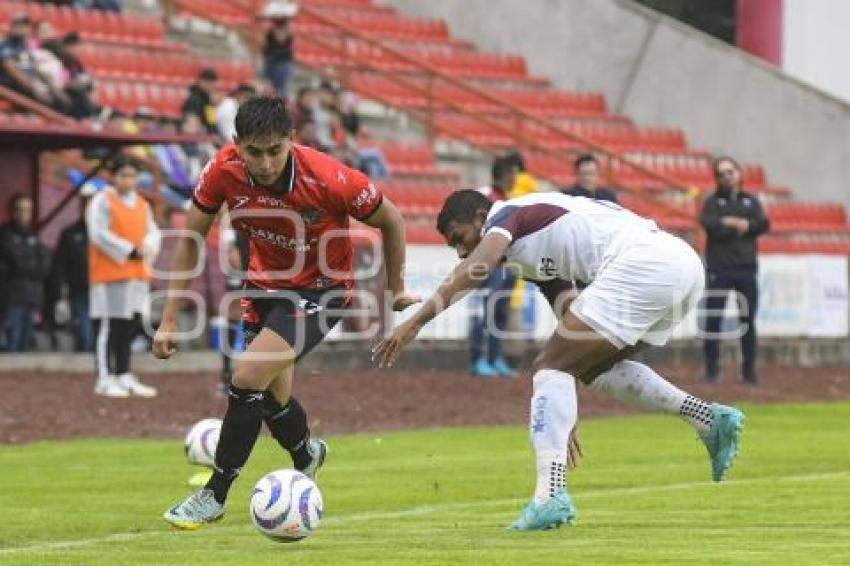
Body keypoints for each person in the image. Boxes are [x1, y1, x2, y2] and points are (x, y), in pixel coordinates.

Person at [373, 190, 745, 531]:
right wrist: (562, 414)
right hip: (681, 267)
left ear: (480, 216)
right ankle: (708, 419)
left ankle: (549, 496)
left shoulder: (506, 217)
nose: (459, 251)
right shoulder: (528, 260)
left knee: (549, 367)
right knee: (583, 369)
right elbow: (571, 330)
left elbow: (480, 264)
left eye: (459, 238)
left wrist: (414, 324)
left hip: (646, 264)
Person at [153, 96, 417, 529]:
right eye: (254, 151)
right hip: (264, 287)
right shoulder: (222, 170)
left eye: (275, 150)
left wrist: (397, 288)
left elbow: (392, 220)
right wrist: (168, 317)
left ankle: (213, 495)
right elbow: (189, 240)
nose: (266, 161)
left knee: (245, 377)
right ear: (237, 144)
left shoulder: (329, 177)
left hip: (323, 288)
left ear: (290, 141)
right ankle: (306, 455)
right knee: (272, 399)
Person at [87, 157, 160, 398]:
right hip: (110, 273)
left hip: (136, 274)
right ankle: (104, 377)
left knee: (128, 326)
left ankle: (124, 373)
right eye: (123, 175)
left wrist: (148, 246)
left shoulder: (141, 203)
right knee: (109, 326)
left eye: (131, 175)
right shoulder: (102, 200)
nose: (128, 181)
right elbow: (99, 233)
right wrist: (128, 249)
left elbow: (152, 232)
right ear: (113, 177)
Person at [699, 156, 770, 385]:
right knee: (713, 321)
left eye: (730, 171)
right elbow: (709, 224)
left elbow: (763, 224)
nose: (727, 176)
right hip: (719, 269)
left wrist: (745, 225)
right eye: (721, 173)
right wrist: (734, 225)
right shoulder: (712, 202)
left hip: (746, 269)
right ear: (717, 178)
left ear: (738, 172)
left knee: (748, 321)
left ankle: (749, 371)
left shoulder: (751, 201)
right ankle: (712, 370)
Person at [469, 158, 518, 377]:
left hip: (505, 265)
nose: (515, 178)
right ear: (505, 174)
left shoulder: (505, 200)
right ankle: (477, 359)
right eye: (514, 174)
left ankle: (495, 358)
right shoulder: (484, 196)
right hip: (487, 265)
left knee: (499, 310)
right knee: (483, 311)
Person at [0, 194, 50, 352]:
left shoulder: (33, 236)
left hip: (32, 296)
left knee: (26, 343)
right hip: (11, 296)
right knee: (11, 342)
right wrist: (29, 266)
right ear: (12, 211)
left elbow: (45, 263)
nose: (24, 214)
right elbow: (13, 263)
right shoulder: (4, 236)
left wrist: (29, 267)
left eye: (28, 210)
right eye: (20, 210)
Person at [50, 186, 96, 352]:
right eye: (86, 206)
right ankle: (85, 358)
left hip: (102, 288)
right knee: (83, 328)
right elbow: (60, 264)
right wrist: (60, 293)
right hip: (79, 289)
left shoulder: (105, 234)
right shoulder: (70, 234)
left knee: (99, 328)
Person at [262, 15, 295, 98]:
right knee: (271, 87)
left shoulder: (288, 32)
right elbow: (279, 39)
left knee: (283, 88)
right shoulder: (271, 32)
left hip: (283, 62)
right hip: (273, 62)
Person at [181, 68, 219, 134]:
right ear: (201, 81)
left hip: (209, 134)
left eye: (212, 82)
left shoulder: (208, 99)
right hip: (196, 136)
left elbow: (211, 120)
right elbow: (192, 124)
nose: (210, 85)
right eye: (207, 81)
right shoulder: (194, 99)